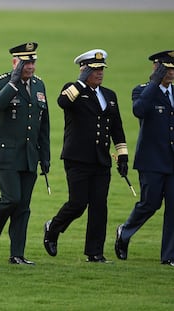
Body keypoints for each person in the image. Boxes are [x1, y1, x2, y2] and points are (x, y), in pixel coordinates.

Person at [43, 49, 129, 263]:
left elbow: (117, 128)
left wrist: (123, 156)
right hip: (78, 158)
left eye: (101, 69)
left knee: (100, 206)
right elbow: (63, 102)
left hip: (101, 160)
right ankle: (53, 228)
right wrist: (80, 82)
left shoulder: (109, 95)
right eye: (94, 69)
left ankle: (95, 252)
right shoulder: (72, 90)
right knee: (78, 203)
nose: (99, 73)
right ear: (83, 70)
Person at [0, 42, 50, 265]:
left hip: (29, 155)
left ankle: (17, 254)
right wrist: (13, 83)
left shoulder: (39, 85)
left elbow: (43, 124)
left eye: (32, 62)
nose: (29, 67)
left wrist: (44, 156)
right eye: (25, 62)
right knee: (11, 199)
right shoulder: (0, 82)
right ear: (14, 62)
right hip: (6, 155)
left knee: (23, 206)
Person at [115, 50, 174, 267]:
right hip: (152, 161)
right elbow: (139, 111)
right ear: (155, 68)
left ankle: (169, 256)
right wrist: (154, 83)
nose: (170, 73)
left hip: (172, 161)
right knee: (150, 203)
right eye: (165, 69)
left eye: (172, 69)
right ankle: (125, 232)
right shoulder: (142, 91)